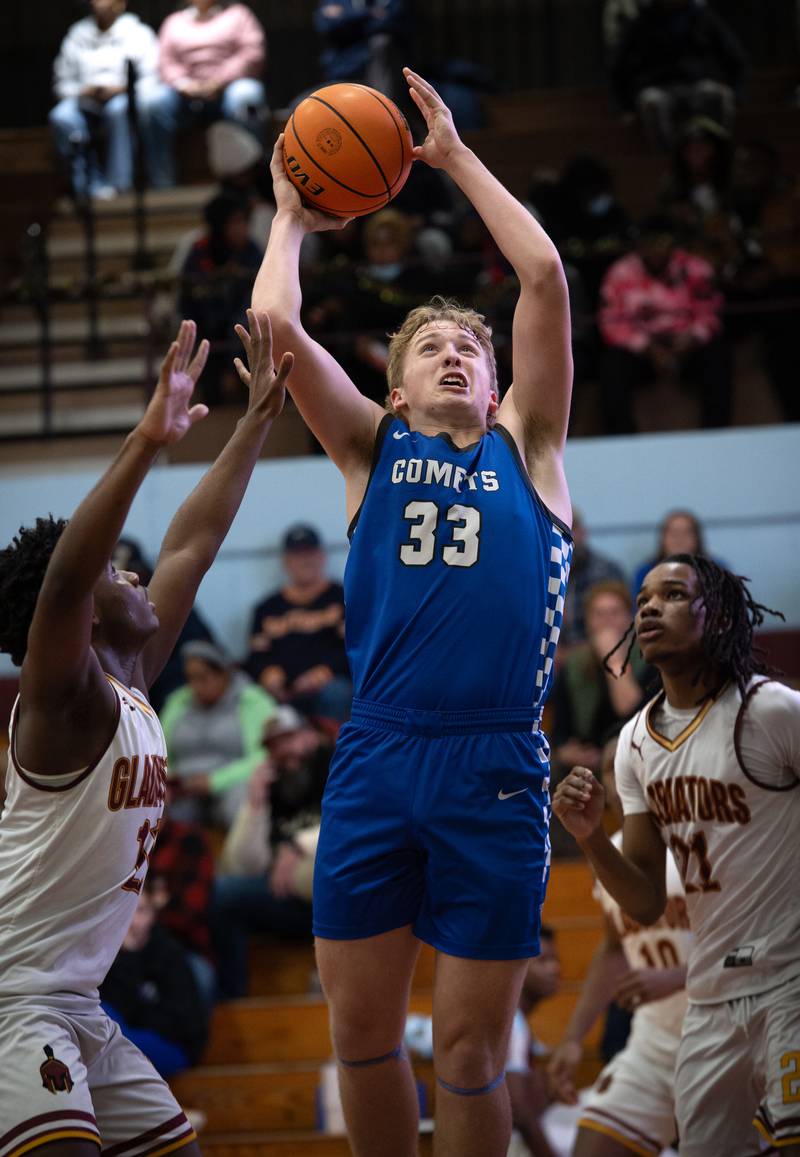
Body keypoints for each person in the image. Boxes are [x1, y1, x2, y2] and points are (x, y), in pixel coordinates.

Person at [251, 65, 573, 1157]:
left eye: (469, 350)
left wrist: (449, 157)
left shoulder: (528, 449)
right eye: (429, 347)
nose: (453, 352)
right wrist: (291, 215)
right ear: (393, 391)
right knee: (361, 1036)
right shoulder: (365, 448)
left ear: (497, 388)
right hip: (379, 750)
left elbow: (539, 275)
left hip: (494, 761)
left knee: (475, 1053)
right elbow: (270, 325)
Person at [0, 312, 293, 1156]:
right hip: (17, 1002)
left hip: (78, 1003)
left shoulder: (131, 676)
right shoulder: (63, 697)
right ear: (86, 605)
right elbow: (63, 579)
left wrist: (253, 425)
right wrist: (145, 439)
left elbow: (195, 542)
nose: (132, 568)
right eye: (114, 567)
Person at [552, 555, 800, 1156]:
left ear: (715, 617)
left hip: (789, 979)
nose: (649, 606)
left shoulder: (770, 711)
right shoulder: (637, 742)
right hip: (710, 999)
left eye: (672, 595)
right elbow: (639, 899)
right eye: (643, 599)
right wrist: (588, 836)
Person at [548, 737, 690, 1157]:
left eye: (632, 762)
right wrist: (573, 1037)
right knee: (592, 1148)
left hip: (725, 1031)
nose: (621, 771)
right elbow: (614, 948)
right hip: (654, 1042)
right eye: (612, 767)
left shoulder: (700, 837)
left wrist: (676, 977)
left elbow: (754, 942)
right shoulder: (607, 852)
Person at [212, 706, 332, 998]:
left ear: (310, 736)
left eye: (289, 738)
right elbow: (243, 865)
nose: (283, 751)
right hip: (292, 897)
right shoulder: (275, 785)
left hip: (338, 892)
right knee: (225, 893)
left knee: (335, 872)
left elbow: (359, 821)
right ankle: (233, 1002)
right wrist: (255, 805)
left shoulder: (335, 762)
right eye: (273, 746)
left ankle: (335, 978)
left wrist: (298, 845)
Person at [598, 214, 731, 434]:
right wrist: (648, 348)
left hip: (687, 342)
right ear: (640, 246)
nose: (657, 250)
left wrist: (693, 338)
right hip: (642, 347)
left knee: (717, 356)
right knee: (612, 366)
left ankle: (716, 434)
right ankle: (622, 440)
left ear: (673, 244)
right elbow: (610, 322)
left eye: (663, 243)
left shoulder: (696, 269)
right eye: (650, 243)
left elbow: (711, 313)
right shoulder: (620, 272)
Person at [141, 0, 267, 189]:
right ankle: (163, 183)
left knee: (247, 95)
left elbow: (252, 52)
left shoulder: (238, 15)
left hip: (228, 88)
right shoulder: (174, 22)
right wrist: (183, 84)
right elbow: (166, 61)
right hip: (184, 94)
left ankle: (254, 180)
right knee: (153, 102)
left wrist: (220, 81)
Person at [49, 0, 160, 199]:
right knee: (61, 116)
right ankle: (83, 185)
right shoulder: (77, 35)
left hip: (123, 98)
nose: (99, 3)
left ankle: (119, 184)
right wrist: (83, 91)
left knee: (117, 110)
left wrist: (124, 90)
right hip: (83, 99)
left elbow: (151, 78)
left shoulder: (138, 33)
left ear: (120, 4)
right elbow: (62, 81)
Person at [160, 638, 276, 827]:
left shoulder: (252, 701)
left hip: (232, 782)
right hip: (184, 788)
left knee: (240, 802)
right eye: (191, 678)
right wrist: (168, 781)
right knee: (154, 806)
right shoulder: (178, 702)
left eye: (203, 677)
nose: (196, 686)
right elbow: (158, 751)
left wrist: (214, 781)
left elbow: (264, 755)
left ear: (223, 673)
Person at [245, 525, 352, 724]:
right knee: (248, 696)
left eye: (310, 553)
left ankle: (331, 752)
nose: (305, 560)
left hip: (329, 686)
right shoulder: (267, 608)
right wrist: (267, 672)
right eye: (297, 554)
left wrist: (325, 671)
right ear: (286, 561)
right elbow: (256, 657)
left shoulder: (344, 599)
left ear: (321, 556)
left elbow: (354, 648)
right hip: (281, 691)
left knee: (336, 692)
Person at [99, 885, 209, 1078]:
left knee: (114, 1042)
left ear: (153, 915)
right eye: (127, 911)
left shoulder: (169, 954)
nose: (132, 921)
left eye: (140, 911)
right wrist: (126, 958)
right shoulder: (110, 955)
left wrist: (139, 1017)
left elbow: (182, 1021)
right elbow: (116, 1007)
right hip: (129, 1035)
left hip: (172, 1044)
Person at [610, 0, 747, 148]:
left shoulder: (704, 17)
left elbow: (737, 58)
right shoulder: (643, 21)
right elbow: (618, 65)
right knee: (652, 102)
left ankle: (718, 151)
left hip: (698, 84)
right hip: (658, 86)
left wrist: (737, 94)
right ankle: (665, 161)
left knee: (718, 95)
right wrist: (626, 108)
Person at [551, 582, 648, 779]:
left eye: (615, 613)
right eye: (599, 614)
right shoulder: (574, 664)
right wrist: (567, 752)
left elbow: (629, 709)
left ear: (629, 619)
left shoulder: (649, 659)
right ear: (587, 621)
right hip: (583, 762)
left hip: (634, 757)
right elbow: (560, 732)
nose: (607, 622)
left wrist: (613, 660)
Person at [178, 192, 265, 404]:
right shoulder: (199, 253)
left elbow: (252, 307)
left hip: (244, 345)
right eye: (235, 222)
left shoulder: (252, 252)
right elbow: (187, 305)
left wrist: (231, 365)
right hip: (208, 344)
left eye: (244, 221)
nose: (241, 228)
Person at [560, 512, 626, 649]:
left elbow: (619, 623)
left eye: (570, 529)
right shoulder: (541, 572)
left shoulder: (606, 571)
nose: (563, 537)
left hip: (598, 651)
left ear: (582, 532)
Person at [630, 508, 724, 597]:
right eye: (673, 533)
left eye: (686, 533)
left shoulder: (717, 571)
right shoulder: (645, 572)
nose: (679, 539)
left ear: (697, 538)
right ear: (662, 538)